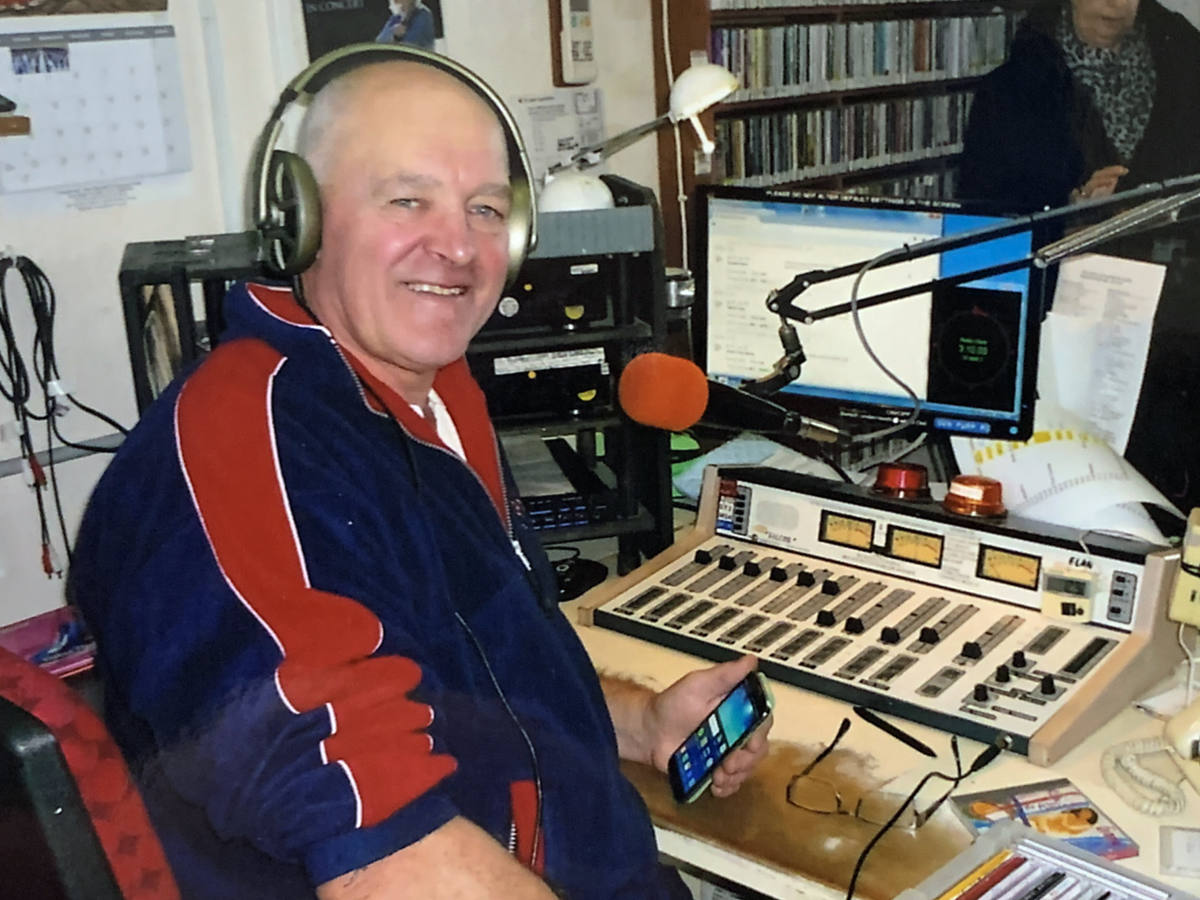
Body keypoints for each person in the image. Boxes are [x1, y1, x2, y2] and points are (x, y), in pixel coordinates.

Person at [69, 57, 772, 899]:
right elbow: (380, 858)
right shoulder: (239, 447)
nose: (459, 246)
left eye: (485, 209)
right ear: (300, 220)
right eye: (408, 200)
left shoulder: (435, 394)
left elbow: (483, 672)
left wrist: (641, 722)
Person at [958, 0, 1200, 213]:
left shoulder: (1185, 69)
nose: (1116, 3)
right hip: (1059, 250)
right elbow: (982, 210)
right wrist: (1070, 212)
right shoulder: (1009, 90)